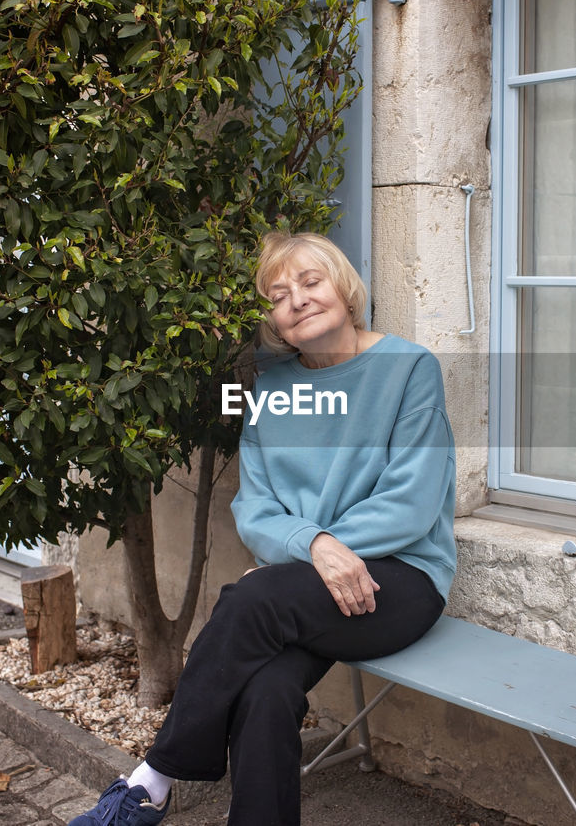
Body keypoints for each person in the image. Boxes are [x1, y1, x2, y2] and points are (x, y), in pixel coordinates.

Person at [69, 231, 457, 826]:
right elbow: (255, 508)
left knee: (252, 599)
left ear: (345, 289)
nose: (297, 300)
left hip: (398, 577)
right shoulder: (269, 386)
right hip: (306, 583)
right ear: (271, 318)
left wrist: (311, 554)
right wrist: (314, 548)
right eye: (278, 295)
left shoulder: (409, 369)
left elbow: (412, 502)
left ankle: (154, 779)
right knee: (265, 689)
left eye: (310, 282)